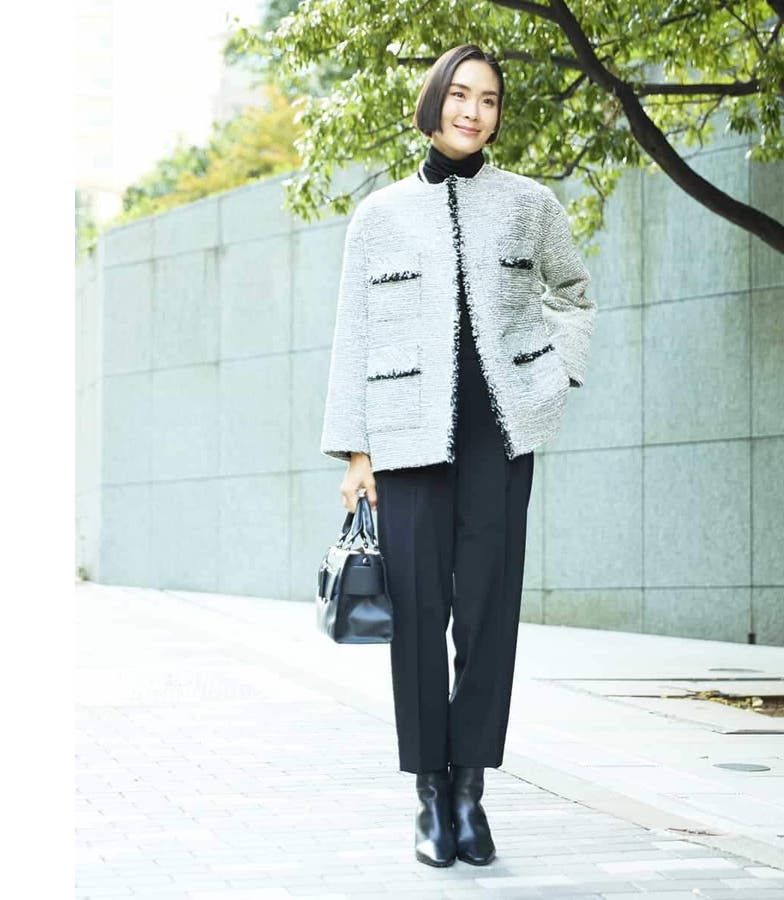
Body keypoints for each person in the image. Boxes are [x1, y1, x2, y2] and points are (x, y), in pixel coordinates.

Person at [320, 43, 596, 868]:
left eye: (489, 100)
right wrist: (356, 450)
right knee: (417, 619)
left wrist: (553, 370)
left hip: (498, 437)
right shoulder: (378, 216)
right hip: (405, 440)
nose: (474, 111)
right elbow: (353, 332)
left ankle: (471, 792)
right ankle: (429, 795)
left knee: (487, 611)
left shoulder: (530, 204)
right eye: (461, 95)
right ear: (434, 100)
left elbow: (574, 293)